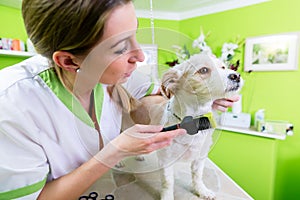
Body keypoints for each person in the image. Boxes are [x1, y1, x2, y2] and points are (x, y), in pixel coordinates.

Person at [0, 0, 239, 199]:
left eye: (135, 33)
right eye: (120, 47)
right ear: (69, 62)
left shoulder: (122, 74)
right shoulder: (12, 105)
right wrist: (115, 152)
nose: (140, 55)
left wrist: (199, 101)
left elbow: (157, 98)